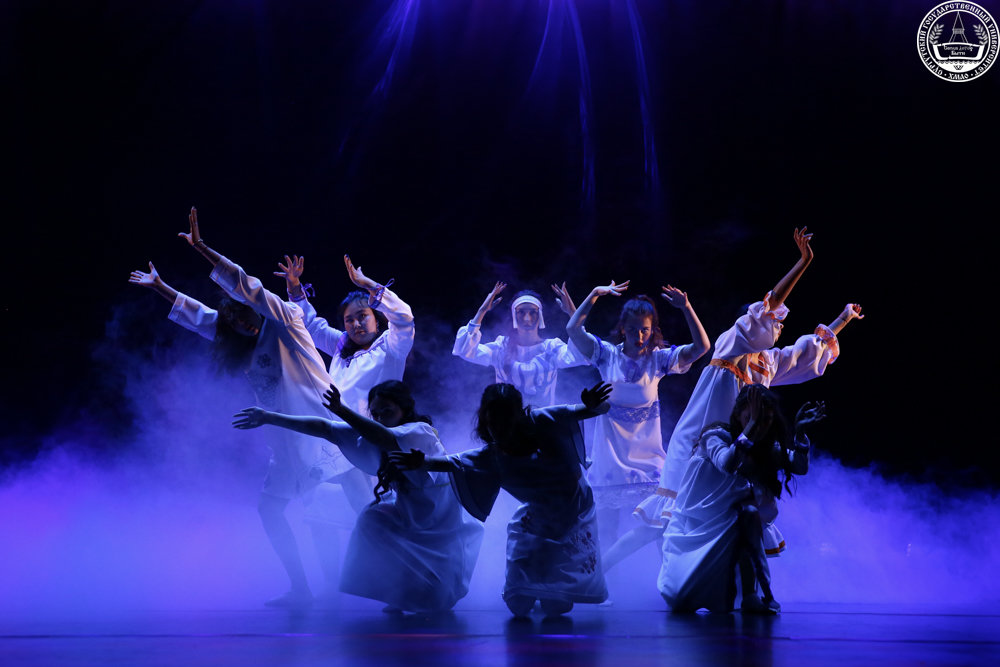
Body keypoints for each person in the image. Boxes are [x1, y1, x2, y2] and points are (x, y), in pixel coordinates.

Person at [129, 207, 362, 608]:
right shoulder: (242, 343)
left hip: (321, 433)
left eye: (247, 316)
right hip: (285, 444)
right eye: (236, 322)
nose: (245, 324)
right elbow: (202, 319)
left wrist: (202, 248)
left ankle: (350, 587)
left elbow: (248, 286)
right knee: (271, 510)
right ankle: (302, 588)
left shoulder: (287, 322)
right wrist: (161, 287)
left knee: (335, 513)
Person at [625, 228, 862, 560]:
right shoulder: (730, 344)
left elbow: (807, 353)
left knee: (727, 527)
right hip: (698, 446)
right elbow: (771, 305)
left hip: (732, 453)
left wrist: (843, 319)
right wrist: (803, 262)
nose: (778, 326)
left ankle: (723, 581)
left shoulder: (766, 364)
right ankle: (611, 568)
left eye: (779, 324)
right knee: (666, 523)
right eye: (774, 321)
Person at [233, 380, 483, 613]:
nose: (381, 418)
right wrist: (268, 417)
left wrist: (342, 410)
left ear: (405, 410)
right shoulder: (371, 434)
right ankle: (398, 593)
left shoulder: (419, 431)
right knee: (372, 518)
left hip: (439, 517)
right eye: (376, 414)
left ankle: (434, 593)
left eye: (388, 412)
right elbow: (325, 428)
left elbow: (387, 437)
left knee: (441, 591)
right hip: (409, 512)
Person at [390, 382, 614, 618]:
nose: (499, 428)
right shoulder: (492, 456)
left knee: (555, 607)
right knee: (519, 606)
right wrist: (423, 462)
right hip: (536, 517)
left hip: (573, 511)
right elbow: (455, 462)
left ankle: (551, 592)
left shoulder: (544, 421)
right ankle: (536, 587)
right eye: (492, 421)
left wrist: (596, 405)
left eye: (505, 420)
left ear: (519, 416)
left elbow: (593, 410)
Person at [565, 281, 710, 548]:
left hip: (649, 462)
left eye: (645, 330)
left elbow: (702, 347)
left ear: (652, 330)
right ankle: (605, 572)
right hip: (610, 459)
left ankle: (662, 574)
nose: (639, 336)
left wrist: (686, 307)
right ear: (623, 328)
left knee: (658, 528)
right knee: (605, 531)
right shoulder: (606, 356)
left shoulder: (659, 360)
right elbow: (573, 329)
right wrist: (594, 294)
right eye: (633, 329)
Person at [659, 384, 824, 614]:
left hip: (731, 525)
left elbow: (799, 466)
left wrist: (800, 434)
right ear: (738, 415)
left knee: (749, 514)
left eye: (765, 420)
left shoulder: (764, 447)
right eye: (752, 417)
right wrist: (751, 427)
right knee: (679, 598)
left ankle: (754, 595)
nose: (760, 425)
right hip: (695, 525)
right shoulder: (716, 436)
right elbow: (727, 463)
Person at [277, 254, 414, 417]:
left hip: (375, 428)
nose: (356, 324)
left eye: (362, 316)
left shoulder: (391, 345)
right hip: (336, 428)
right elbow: (311, 327)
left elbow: (404, 318)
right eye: (349, 320)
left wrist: (368, 284)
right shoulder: (341, 344)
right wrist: (294, 286)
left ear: (376, 320)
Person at [452, 282, 587, 406]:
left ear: (540, 315)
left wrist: (573, 313)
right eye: (521, 312)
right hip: (507, 422)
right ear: (514, 315)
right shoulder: (501, 347)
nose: (527, 318)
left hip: (543, 422)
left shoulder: (552, 348)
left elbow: (582, 352)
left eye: (533, 312)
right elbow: (465, 350)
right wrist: (482, 311)